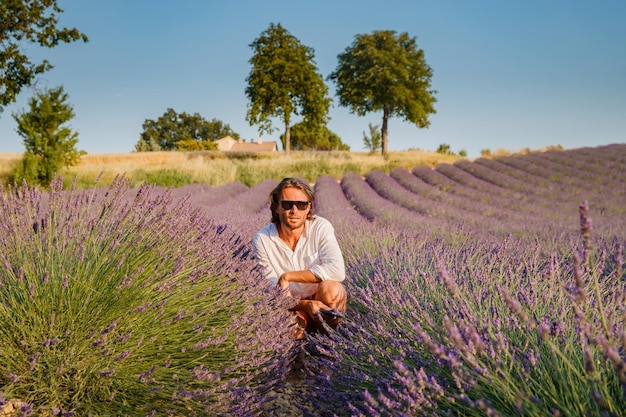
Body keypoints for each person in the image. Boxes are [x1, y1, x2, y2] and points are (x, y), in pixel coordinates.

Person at [253, 177, 347, 337]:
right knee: (285, 325)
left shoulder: (320, 227)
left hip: (323, 300)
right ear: (276, 207)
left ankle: (329, 341)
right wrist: (306, 305)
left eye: (301, 205)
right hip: (292, 306)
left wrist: (288, 276)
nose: (294, 211)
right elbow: (273, 292)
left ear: (309, 207)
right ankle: (296, 356)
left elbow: (337, 271)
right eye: (287, 205)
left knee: (331, 289)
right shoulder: (263, 239)